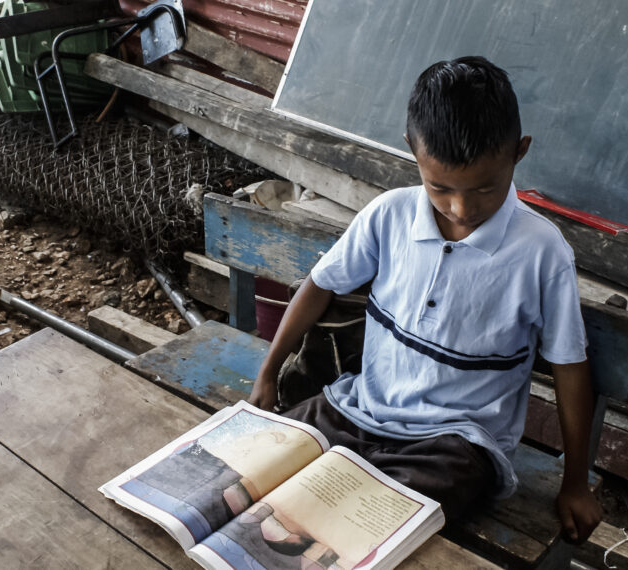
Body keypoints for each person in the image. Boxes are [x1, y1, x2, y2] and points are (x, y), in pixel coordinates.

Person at [247, 56, 602, 543]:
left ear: (519, 153)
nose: (461, 209)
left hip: (455, 443)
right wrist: (269, 371)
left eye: (484, 189)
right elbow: (322, 284)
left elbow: (569, 365)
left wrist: (576, 482)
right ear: (412, 151)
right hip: (358, 409)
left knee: (370, 523)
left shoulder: (542, 254)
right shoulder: (388, 215)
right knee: (256, 472)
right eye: (440, 188)